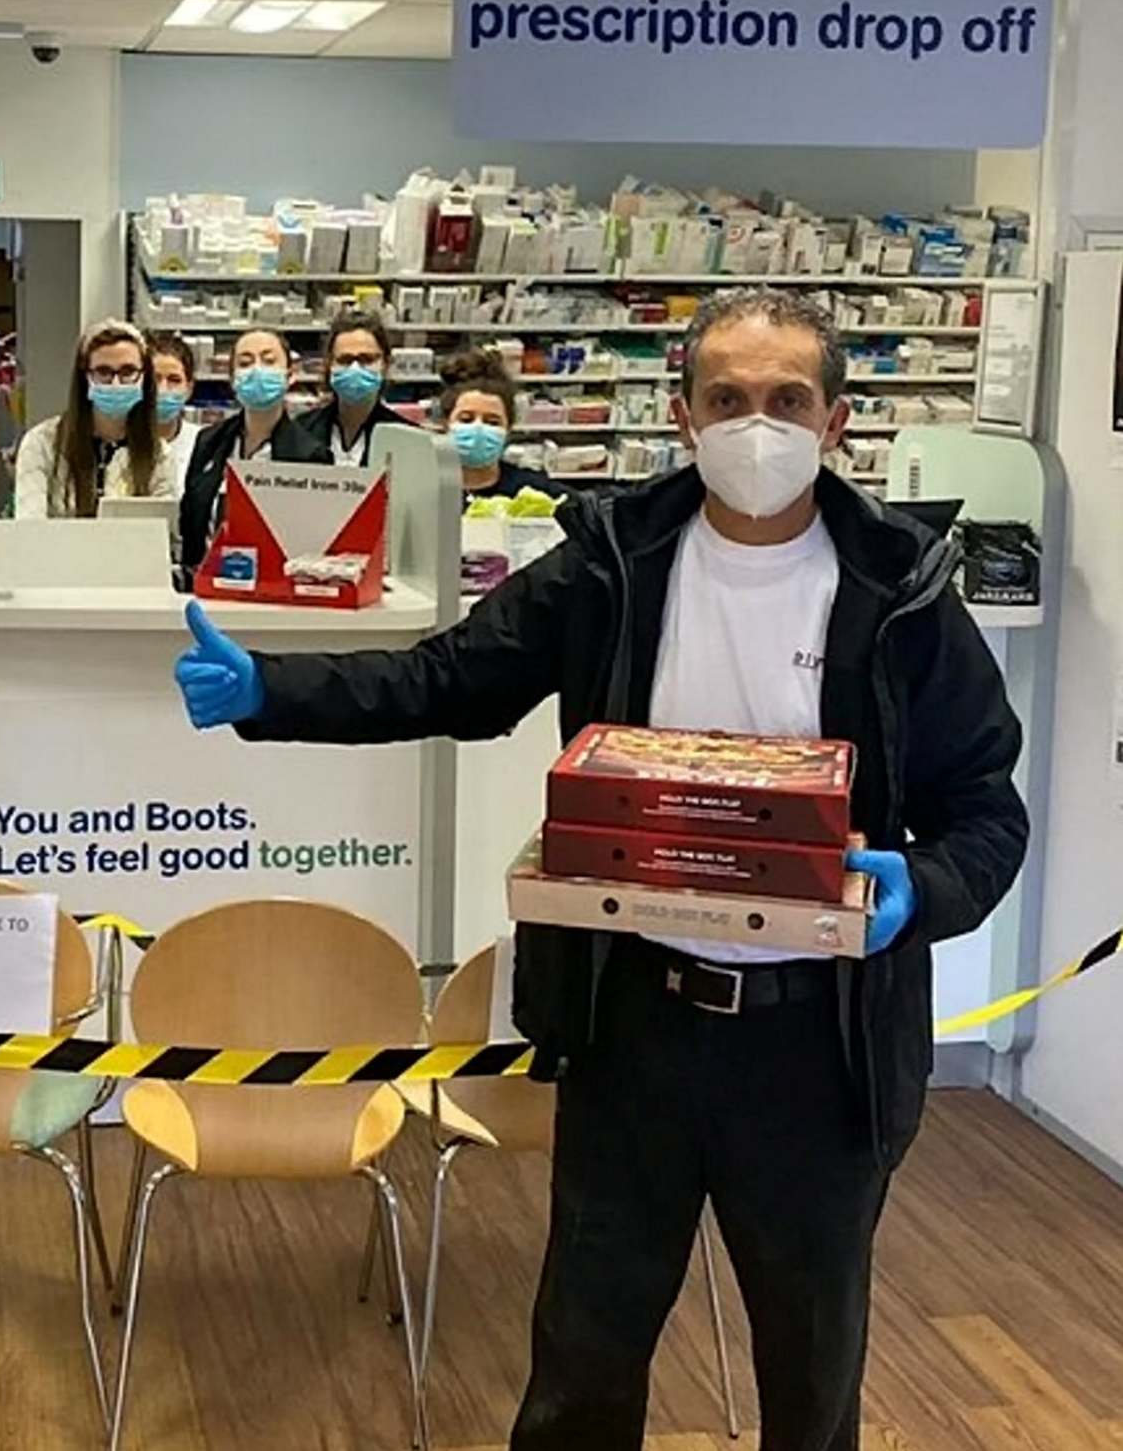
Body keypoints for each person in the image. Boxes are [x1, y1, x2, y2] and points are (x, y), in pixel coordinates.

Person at [174, 287, 1027, 1451]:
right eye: (726, 400)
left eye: (786, 402)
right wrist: (274, 693)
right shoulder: (614, 563)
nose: (755, 428)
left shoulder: (905, 593)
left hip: (819, 1050)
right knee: (583, 1357)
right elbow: (453, 677)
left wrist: (915, 895)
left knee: (811, 1370)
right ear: (682, 417)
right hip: (633, 1026)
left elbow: (985, 811)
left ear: (835, 424)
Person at [177, 327, 330, 571]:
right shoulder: (209, 441)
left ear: (289, 376)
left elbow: (309, 544)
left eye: (269, 361)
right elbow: (191, 520)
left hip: (271, 591)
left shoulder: (310, 455)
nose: (257, 370)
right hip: (205, 584)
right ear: (232, 379)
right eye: (245, 363)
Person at [13, 318, 175, 519]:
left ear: (144, 377)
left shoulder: (158, 454)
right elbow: (29, 527)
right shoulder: (41, 442)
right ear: (85, 377)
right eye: (103, 372)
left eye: (128, 372)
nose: (116, 383)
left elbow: (163, 532)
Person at [438, 349, 570, 502]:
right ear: (446, 423)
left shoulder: (535, 491)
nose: (479, 428)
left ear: (508, 428)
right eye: (466, 419)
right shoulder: (422, 488)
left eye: (492, 422)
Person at [297, 310, 404, 467]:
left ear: (386, 364)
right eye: (345, 360)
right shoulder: (301, 430)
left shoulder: (407, 439)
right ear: (329, 364)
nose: (355, 369)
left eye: (366, 359)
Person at [146, 331, 200, 497]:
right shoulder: (119, 444)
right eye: (155, 379)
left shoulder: (204, 443)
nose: (162, 389)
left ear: (189, 388)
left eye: (174, 380)